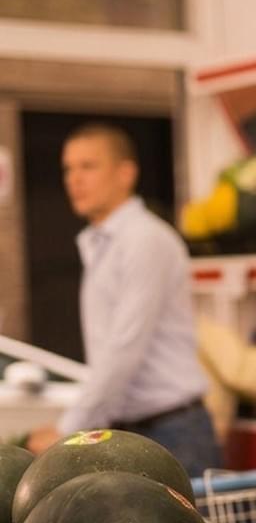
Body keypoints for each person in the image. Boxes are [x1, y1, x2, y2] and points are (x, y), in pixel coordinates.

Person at [26, 123, 222, 478]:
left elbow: (124, 348)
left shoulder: (144, 240)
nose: (74, 179)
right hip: (132, 431)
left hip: (173, 433)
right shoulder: (101, 243)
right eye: (68, 168)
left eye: (88, 166)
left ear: (126, 173)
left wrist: (68, 429)